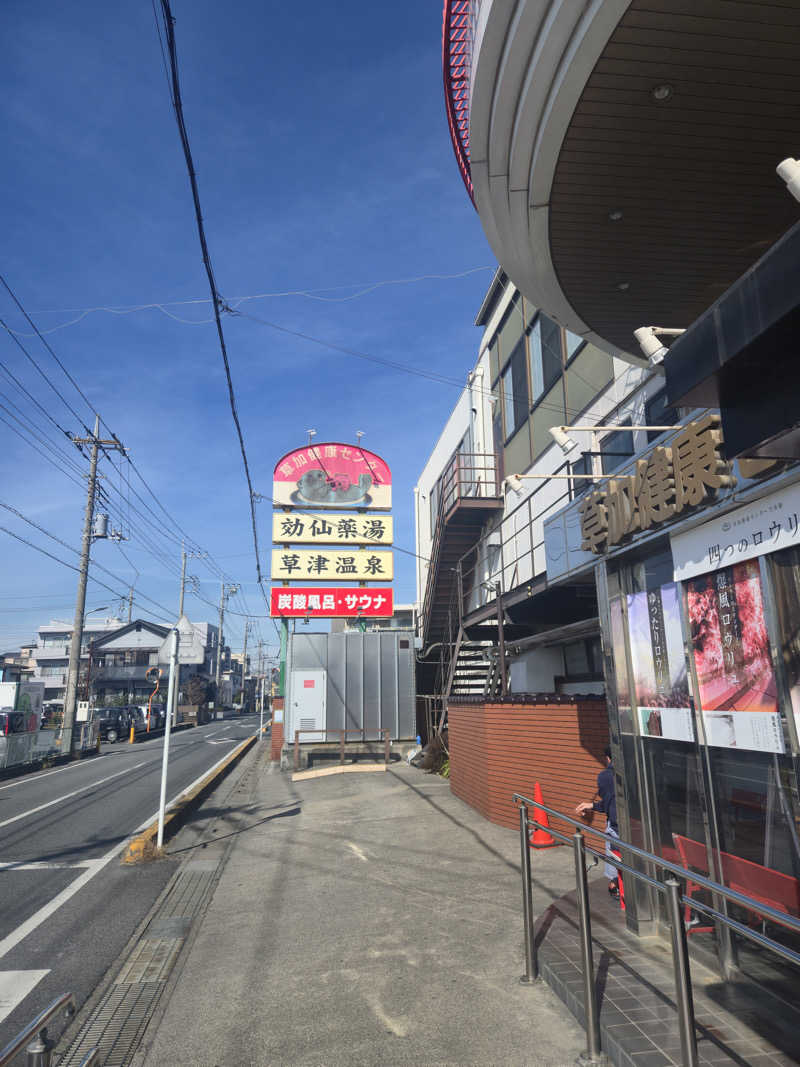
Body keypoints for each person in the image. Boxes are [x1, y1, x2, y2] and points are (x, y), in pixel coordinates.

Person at [575, 746, 620, 898]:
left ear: (608, 758)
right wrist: (593, 805)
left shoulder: (606, 776)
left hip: (618, 828)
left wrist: (593, 805)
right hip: (641, 827)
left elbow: (608, 804)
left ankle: (617, 885)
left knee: (616, 857)